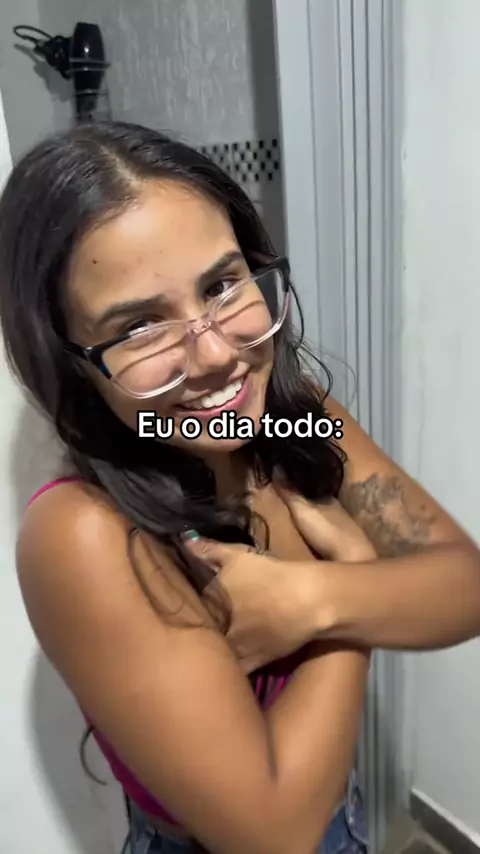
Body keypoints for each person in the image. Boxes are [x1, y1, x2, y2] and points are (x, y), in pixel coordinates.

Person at [0, 121, 479, 854]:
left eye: (222, 285)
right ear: (69, 360)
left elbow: (464, 585)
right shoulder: (83, 534)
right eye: (140, 326)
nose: (217, 354)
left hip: (345, 814)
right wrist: (355, 581)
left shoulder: (295, 422)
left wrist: (312, 599)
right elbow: (275, 835)